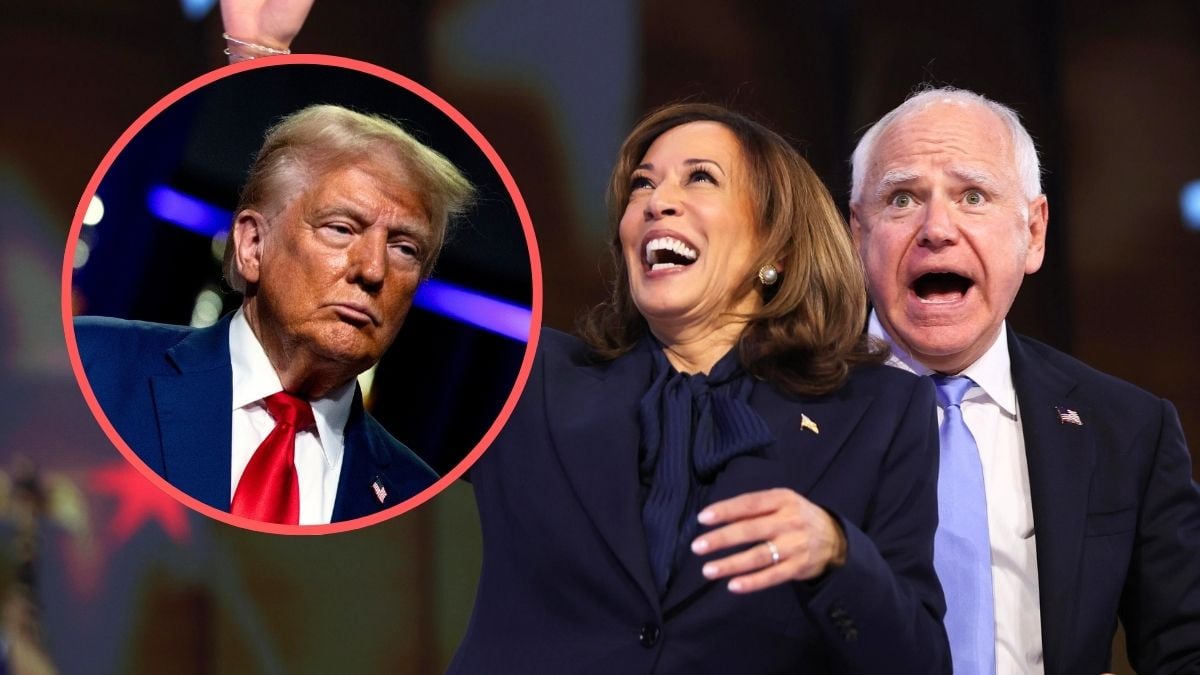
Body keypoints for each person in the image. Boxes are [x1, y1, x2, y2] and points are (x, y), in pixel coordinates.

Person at [449, 103, 949, 673]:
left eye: (700, 177)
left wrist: (839, 555)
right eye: (642, 185)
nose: (656, 201)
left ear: (775, 250)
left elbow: (919, 661)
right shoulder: (529, 377)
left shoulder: (880, 412)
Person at [850, 86, 1200, 674]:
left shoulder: (1128, 429)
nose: (937, 228)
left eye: (973, 195)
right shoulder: (775, 404)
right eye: (903, 197)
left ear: (1033, 233)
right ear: (859, 235)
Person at [74, 104, 474, 525]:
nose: (374, 270)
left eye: (404, 249)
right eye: (341, 228)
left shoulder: (427, 512)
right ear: (252, 246)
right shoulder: (91, 367)